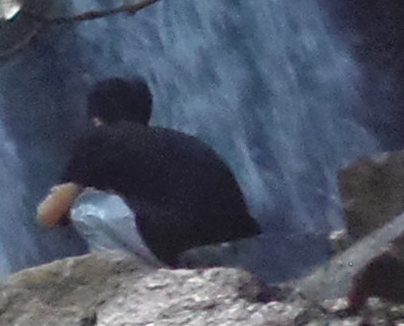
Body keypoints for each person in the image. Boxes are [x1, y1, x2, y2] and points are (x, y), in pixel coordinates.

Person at [34, 76, 262, 268]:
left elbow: (49, 215)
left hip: (191, 248)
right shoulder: (179, 141)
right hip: (243, 246)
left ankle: (122, 279)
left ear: (95, 117)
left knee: (83, 206)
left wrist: (63, 194)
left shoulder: (101, 140)